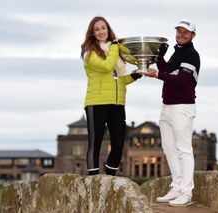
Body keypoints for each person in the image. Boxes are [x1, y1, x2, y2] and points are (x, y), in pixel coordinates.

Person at [145, 19, 200, 207]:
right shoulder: (178, 53)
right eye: (179, 31)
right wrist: (159, 58)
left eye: (186, 32)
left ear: (193, 35)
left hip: (182, 107)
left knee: (184, 150)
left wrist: (157, 74)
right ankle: (176, 187)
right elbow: (168, 72)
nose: (182, 34)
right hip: (167, 106)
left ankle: (186, 192)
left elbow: (182, 81)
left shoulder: (192, 55)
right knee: (169, 149)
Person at [81, 16, 141, 176]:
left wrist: (135, 75)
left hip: (117, 103)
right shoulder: (89, 53)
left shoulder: (116, 51)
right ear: (92, 33)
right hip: (96, 102)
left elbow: (118, 81)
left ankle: (109, 179)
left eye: (103, 28)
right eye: (97, 29)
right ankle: (94, 181)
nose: (101, 31)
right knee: (96, 143)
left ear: (108, 29)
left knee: (118, 144)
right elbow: (108, 67)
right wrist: (115, 46)